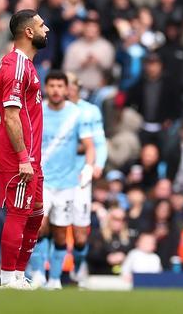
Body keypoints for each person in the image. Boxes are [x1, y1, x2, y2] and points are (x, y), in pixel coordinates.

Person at [0, 9, 49, 289]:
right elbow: (11, 115)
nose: (46, 29)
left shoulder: (23, 65)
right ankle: (7, 278)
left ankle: (18, 274)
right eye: (41, 25)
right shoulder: (16, 66)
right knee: (18, 212)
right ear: (28, 32)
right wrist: (22, 156)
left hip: (30, 155)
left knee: (36, 213)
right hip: (19, 158)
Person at [27, 70, 95, 290]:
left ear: (66, 89)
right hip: (42, 181)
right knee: (38, 226)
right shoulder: (37, 111)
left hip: (67, 184)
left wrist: (88, 167)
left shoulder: (77, 114)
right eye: (52, 86)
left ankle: (55, 278)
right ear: (46, 88)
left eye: (60, 86)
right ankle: (38, 273)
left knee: (60, 232)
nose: (56, 90)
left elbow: (90, 145)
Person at [66, 72, 108, 286]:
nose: (67, 89)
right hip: (55, 175)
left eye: (70, 85)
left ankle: (78, 265)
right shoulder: (49, 109)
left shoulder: (90, 111)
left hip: (81, 174)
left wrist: (98, 164)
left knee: (80, 229)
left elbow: (99, 141)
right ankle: (41, 272)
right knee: (46, 224)